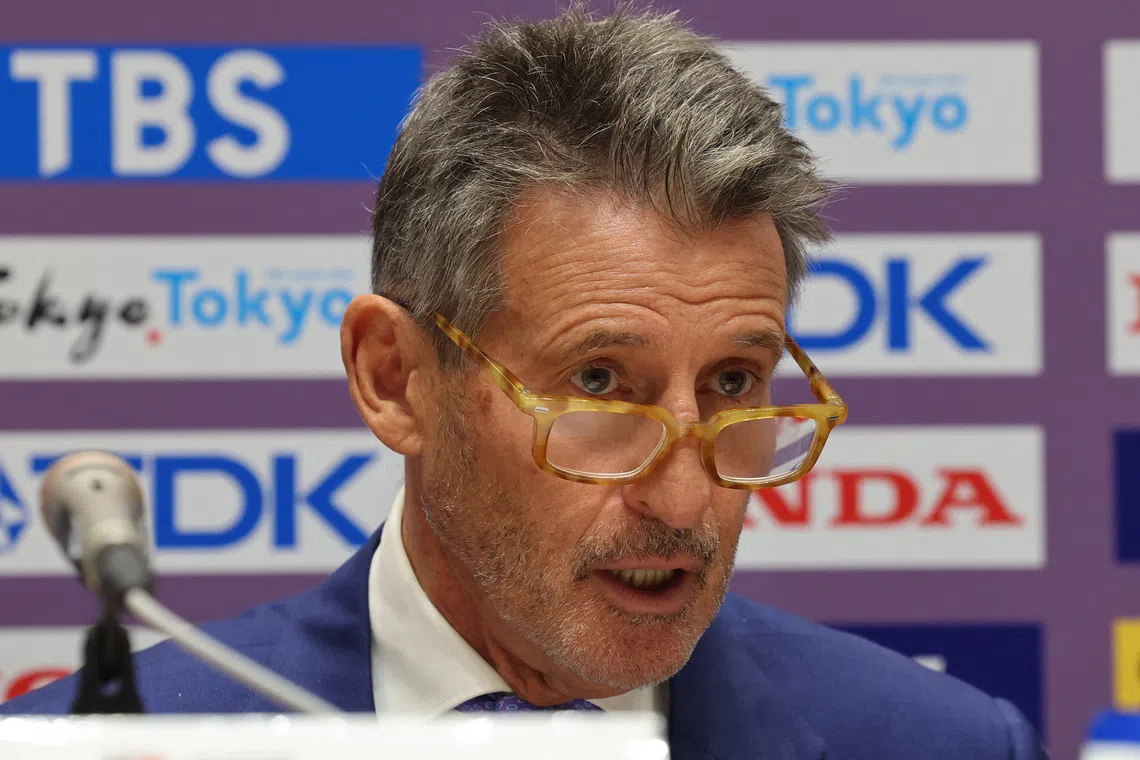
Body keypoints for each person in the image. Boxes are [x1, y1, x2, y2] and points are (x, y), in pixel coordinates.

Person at [1, 5, 1047, 758]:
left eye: (734, 382)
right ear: (395, 377)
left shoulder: (936, 741)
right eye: (599, 381)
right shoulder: (122, 741)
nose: (686, 498)